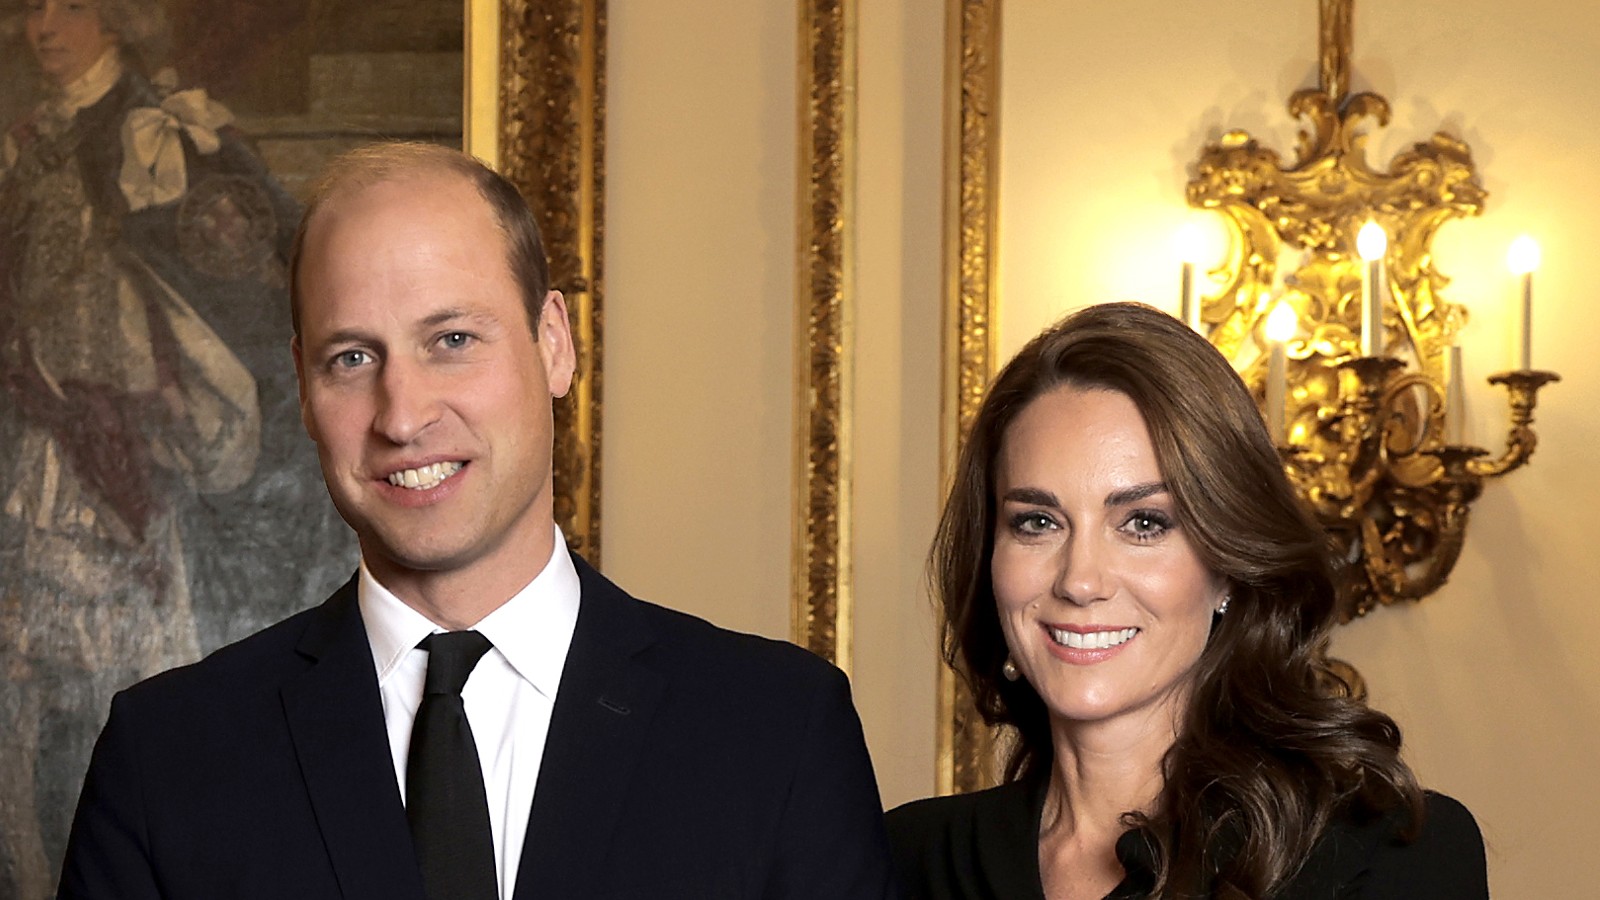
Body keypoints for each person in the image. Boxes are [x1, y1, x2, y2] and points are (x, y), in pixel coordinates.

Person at [56, 141, 895, 900]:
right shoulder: (166, 757)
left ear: (554, 344)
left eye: (452, 339)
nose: (403, 414)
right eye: (352, 358)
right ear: (304, 394)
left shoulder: (774, 732)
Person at [886, 302, 1488, 899]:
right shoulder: (908, 860)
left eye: (1144, 523)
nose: (1080, 580)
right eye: (1038, 522)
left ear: (1228, 563)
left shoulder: (1384, 853)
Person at [0, 1, 301, 895]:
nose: (43, 28)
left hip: (137, 440)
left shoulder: (162, 129)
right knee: (32, 665)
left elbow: (244, 259)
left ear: (120, 19)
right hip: (40, 431)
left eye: (69, 6)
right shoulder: (29, 140)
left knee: (134, 673)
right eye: (29, 8)